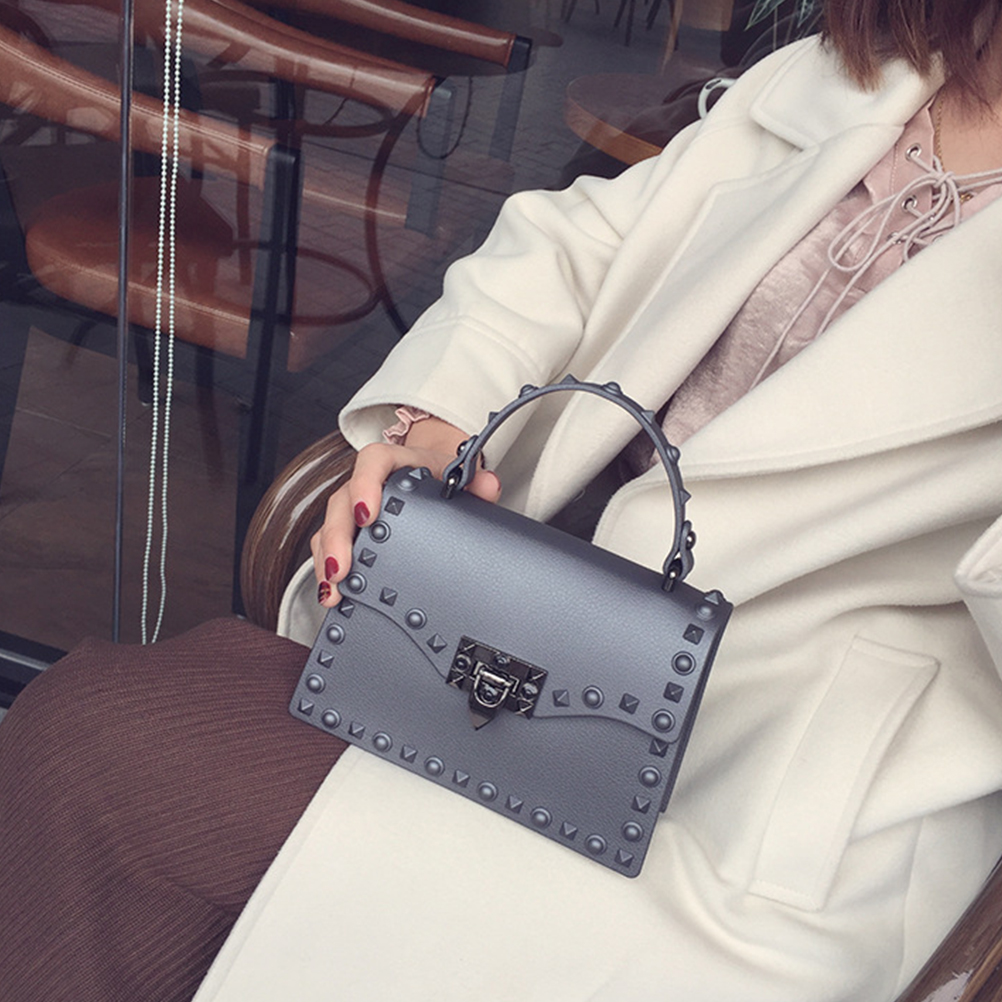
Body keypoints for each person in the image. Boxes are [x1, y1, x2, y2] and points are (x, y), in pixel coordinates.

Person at [3, 1, 1002, 999]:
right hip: (525, 639)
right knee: (106, 740)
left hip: (763, 801)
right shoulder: (846, 77)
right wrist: (438, 419)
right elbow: (575, 245)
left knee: (109, 760)